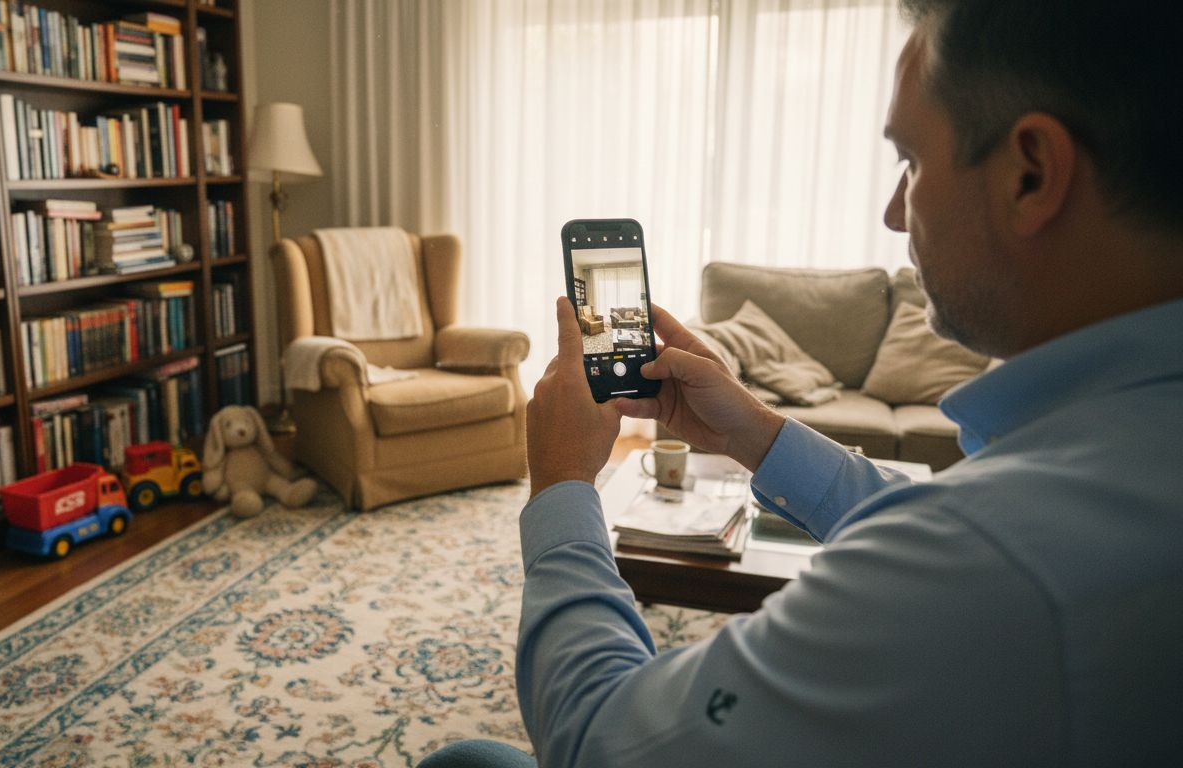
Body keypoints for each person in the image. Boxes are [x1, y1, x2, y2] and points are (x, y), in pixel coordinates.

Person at [421, 0, 1182, 765]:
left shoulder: (984, 559)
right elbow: (930, 522)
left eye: (910, 161)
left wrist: (560, 488)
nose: (893, 213)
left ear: (1031, 173)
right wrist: (756, 433)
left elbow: (598, 740)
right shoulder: (1113, 458)